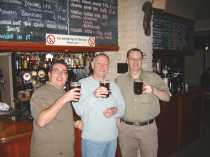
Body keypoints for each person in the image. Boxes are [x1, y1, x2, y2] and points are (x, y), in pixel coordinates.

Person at [116, 48, 170, 157]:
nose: (135, 62)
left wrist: (153, 90)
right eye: (132, 59)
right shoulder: (119, 80)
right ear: (127, 60)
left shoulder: (153, 77)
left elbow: (167, 97)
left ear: (142, 60)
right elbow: (115, 102)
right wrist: (116, 120)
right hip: (126, 129)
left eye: (138, 59)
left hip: (148, 129)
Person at [73, 53, 125, 157]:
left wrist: (114, 110)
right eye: (99, 63)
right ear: (92, 65)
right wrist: (94, 95)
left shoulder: (113, 85)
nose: (102, 66)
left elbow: (122, 108)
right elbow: (79, 110)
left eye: (105, 64)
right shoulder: (81, 84)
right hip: (92, 140)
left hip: (112, 138)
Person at [30, 60, 80, 157]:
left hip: (66, 151)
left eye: (64, 72)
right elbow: (41, 121)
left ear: (67, 76)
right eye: (56, 71)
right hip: (49, 152)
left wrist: (75, 123)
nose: (60, 74)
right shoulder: (41, 93)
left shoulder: (63, 92)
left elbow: (57, 119)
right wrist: (63, 99)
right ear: (49, 74)